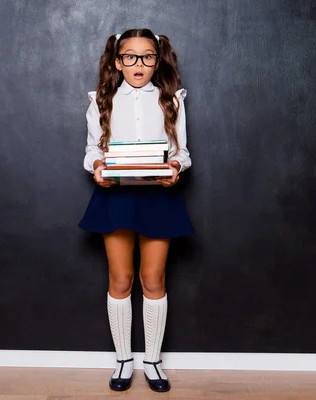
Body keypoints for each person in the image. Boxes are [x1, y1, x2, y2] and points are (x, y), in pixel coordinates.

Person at [78, 28, 194, 393]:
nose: (138, 63)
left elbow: (182, 153)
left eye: (147, 56)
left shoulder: (171, 100)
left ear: (157, 61)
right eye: (130, 56)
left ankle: (153, 361)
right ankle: (124, 360)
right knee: (121, 280)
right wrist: (97, 168)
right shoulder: (102, 100)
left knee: (153, 280)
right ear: (117, 61)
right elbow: (92, 151)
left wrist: (175, 169)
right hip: (117, 197)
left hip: (159, 197)